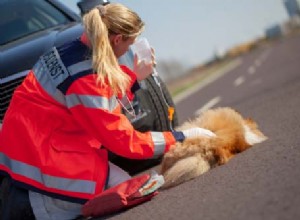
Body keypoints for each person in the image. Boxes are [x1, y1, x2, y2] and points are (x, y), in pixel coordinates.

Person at [0, 3, 215, 219]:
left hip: (26, 146)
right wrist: (181, 136)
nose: (129, 49)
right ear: (117, 39)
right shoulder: (85, 77)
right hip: (40, 159)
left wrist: (134, 78)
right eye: (130, 43)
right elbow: (123, 140)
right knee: (124, 189)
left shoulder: (67, 51)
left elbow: (95, 107)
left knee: (123, 184)